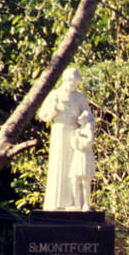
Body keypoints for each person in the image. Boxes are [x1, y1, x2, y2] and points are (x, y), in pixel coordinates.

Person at [36, 67, 92, 210]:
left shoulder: (80, 97)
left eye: (76, 83)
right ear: (65, 80)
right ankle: (56, 203)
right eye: (71, 82)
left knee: (74, 169)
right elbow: (43, 115)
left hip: (75, 135)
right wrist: (54, 109)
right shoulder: (55, 95)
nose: (73, 85)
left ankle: (75, 203)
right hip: (59, 132)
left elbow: (90, 117)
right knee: (59, 165)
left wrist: (84, 121)